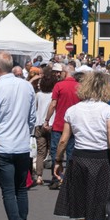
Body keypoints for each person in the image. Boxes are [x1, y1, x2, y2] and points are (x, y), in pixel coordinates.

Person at [52, 69, 110, 220]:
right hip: (101, 160)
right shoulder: (108, 110)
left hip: (79, 158)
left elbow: (64, 140)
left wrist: (58, 160)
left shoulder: (72, 110)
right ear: (105, 88)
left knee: (80, 205)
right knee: (101, 203)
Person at [0, 50, 37, 220]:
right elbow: (32, 117)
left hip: (3, 144)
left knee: (8, 191)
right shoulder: (27, 86)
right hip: (22, 144)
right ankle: (21, 219)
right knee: (21, 188)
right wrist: (26, 132)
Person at [44, 60, 81, 189]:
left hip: (59, 124)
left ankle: (56, 178)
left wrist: (47, 119)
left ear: (65, 73)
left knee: (56, 152)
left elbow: (53, 104)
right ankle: (70, 180)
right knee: (71, 152)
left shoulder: (59, 86)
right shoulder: (79, 86)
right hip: (74, 125)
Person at [33, 73, 55, 186]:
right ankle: (54, 176)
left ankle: (39, 176)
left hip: (39, 124)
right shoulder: (54, 95)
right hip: (52, 124)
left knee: (40, 152)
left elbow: (35, 108)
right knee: (53, 151)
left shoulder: (38, 95)